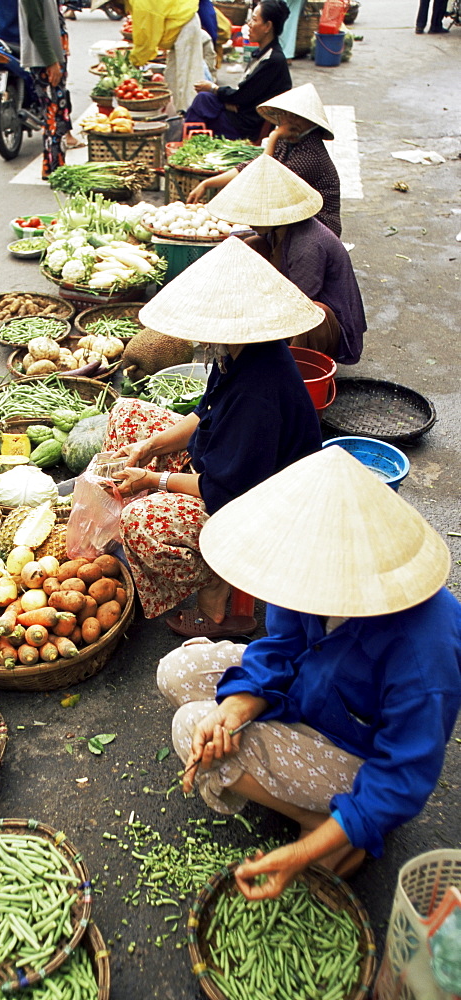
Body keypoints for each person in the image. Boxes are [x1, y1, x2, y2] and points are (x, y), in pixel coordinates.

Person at [158, 445, 461, 898]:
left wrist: (303, 854)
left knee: (189, 728)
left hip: (358, 755)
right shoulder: (303, 569)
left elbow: (402, 777)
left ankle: (324, 828)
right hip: (310, 692)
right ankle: (304, 795)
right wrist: (238, 708)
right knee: (179, 671)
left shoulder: (424, 647)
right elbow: (282, 646)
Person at [103, 233, 323, 639]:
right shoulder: (238, 352)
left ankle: (215, 586)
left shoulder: (259, 392)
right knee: (127, 413)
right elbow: (203, 415)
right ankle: (152, 505)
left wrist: (154, 480)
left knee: (141, 521)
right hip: (230, 468)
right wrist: (149, 446)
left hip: (261, 506)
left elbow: (225, 489)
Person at [206, 154, 365, 363]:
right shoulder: (278, 230)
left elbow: (298, 305)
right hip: (291, 298)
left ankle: (290, 367)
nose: (249, 222)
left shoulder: (308, 244)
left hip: (331, 328)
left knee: (315, 314)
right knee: (252, 245)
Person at [188, 83, 342, 239]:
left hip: (316, 227)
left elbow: (266, 180)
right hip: (290, 219)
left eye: (295, 117)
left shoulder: (310, 154)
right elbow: (252, 167)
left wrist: (274, 136)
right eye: (286, 115)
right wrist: (208, 183)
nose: (288, 121)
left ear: (310, 122)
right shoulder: (289, 139)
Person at [184, 0, 292, 142]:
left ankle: (189, 145)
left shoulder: (272, 61)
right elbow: (245, 93)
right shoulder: (264, 54)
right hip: (242, 112)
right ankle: (191, 140)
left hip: (246, 126)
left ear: (267, 26)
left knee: (202, 103)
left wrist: (214, 89)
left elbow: (241, 97)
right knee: (205, 99)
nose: (249, 24)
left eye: (254, 20)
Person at [90, 0, 205, 113]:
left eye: (111, 5)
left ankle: (192, 117)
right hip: (179, 26)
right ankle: (178, 113)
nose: (113, 10)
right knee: (172, 77)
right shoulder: (136, 4)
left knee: (187, 80)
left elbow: (146, 42)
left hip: (185, 25)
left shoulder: (141, 5)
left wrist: (134, 62)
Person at [18, 0, 72, 179]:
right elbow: (35, 23)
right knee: (53, 113)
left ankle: (55, 165)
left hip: (55, 55)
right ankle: (54, 167)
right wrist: (51, 61)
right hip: (45, 61)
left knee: (58, 112)